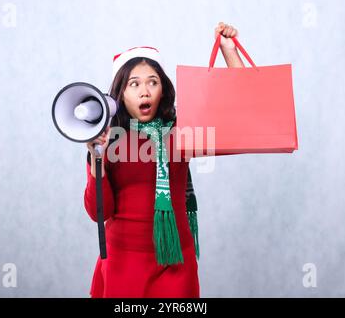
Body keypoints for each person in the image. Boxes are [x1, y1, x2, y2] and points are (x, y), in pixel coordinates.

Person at [84, 22, 245, 298]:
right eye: (134, 84)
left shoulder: (182, 129)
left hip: (174, 261)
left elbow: (238, 113)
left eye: (152, 82)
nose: (144, 91)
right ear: (120, 93)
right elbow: (99, 212)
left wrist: (229, 51)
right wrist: (95, 159)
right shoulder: (106, 138)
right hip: (124, 263)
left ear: (163, 90)